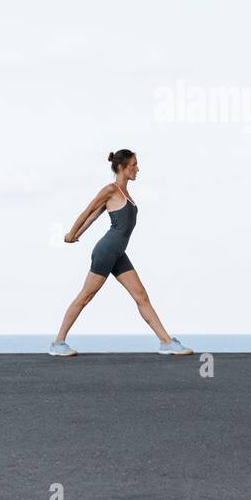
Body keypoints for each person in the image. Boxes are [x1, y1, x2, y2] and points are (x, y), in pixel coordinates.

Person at [50, 149, 192, 357]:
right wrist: (72, 234)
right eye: (133, 165)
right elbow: (88, 212)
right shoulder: (110, 190)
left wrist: (76, 234)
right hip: (106, 251)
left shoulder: (125, 194)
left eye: (136, 164)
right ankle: (58, 343)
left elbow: (95, 217)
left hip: (118, 253)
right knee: (86, 296)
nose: (137, 169)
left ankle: (166, 342)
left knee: (141, 296)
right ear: (121, 167)